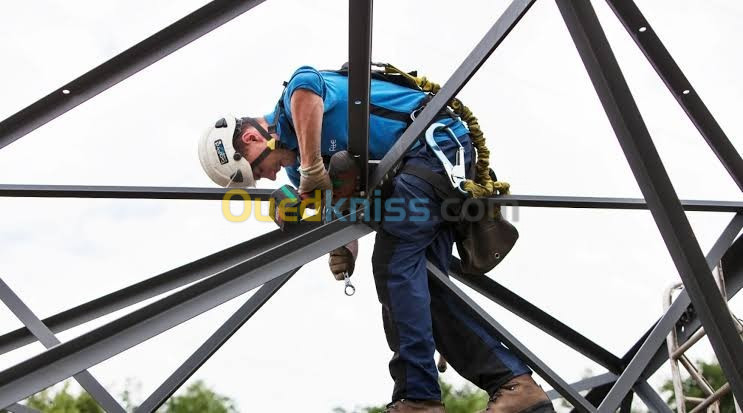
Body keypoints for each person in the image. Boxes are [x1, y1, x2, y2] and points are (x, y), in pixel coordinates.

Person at [197, 65, 554, 413]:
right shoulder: (299, 167)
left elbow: (306, 88)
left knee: (393, 267)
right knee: (425, 288)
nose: (268, 176)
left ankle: (418, 397)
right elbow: (341, 217)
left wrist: (312, 170)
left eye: (257, 169)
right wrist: (343, 251)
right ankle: (515, 385)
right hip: (419, 175)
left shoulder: (298, 101)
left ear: (251, 138)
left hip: (433, 147)